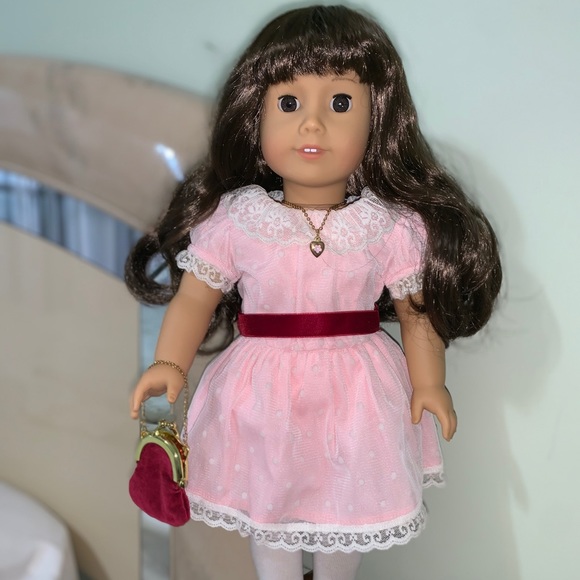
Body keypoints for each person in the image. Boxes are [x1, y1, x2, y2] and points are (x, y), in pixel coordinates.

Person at [126, 5, 502, 579]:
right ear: (254, 117)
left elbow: (415, 311)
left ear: (378, 122)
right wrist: (168, 363)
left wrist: (429, 383)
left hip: (358, 391)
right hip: (263, 390)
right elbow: (196, 299)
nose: (312, 125)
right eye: (289, 103)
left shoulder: (389, 225)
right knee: (270, 511)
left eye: (341, 104)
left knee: (347, 510)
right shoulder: (237, 220)